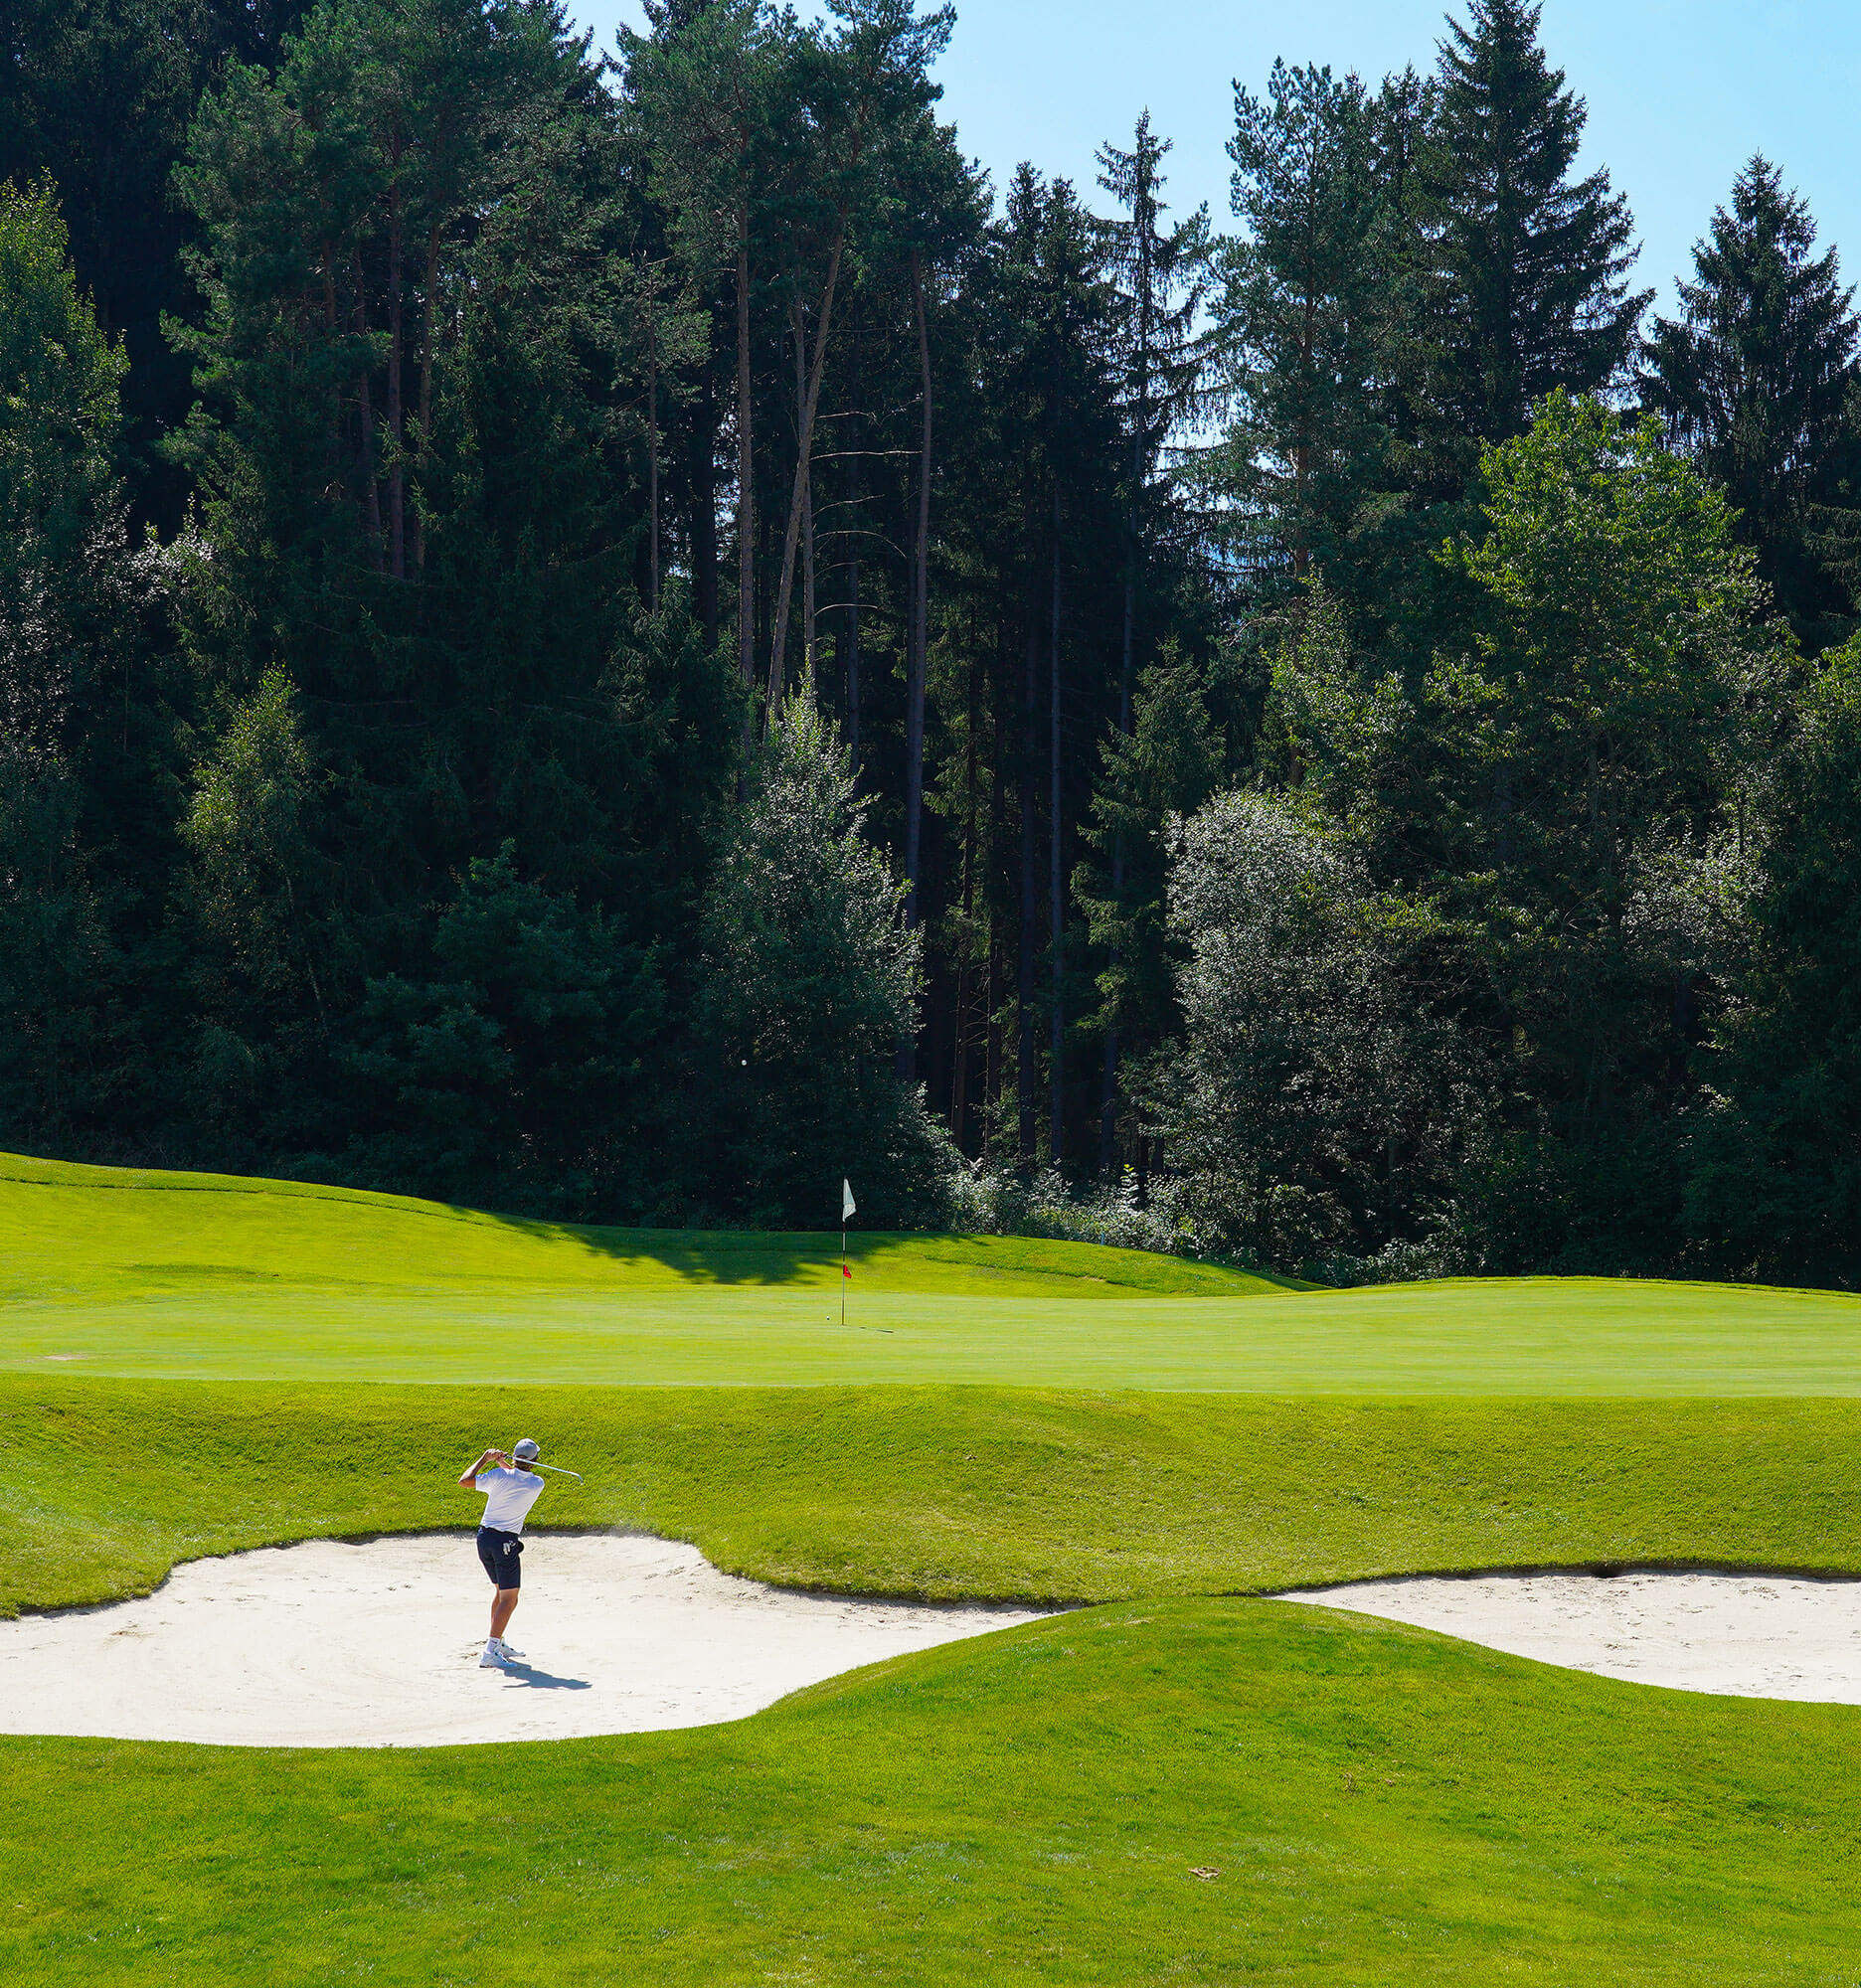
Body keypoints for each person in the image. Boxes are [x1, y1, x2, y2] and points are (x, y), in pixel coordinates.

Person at [458, 1437, 547, 1667]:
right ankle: (490, 1651)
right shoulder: (537, 1483)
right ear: (535, 1461)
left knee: (500, 1594)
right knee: (510, 1599)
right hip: (505, 1543)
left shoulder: (499, 1477)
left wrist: (485, 1459)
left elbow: (465, 1481)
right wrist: (500, 1463)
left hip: (485, 1539)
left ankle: (499, 1642)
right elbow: (516, 1477)